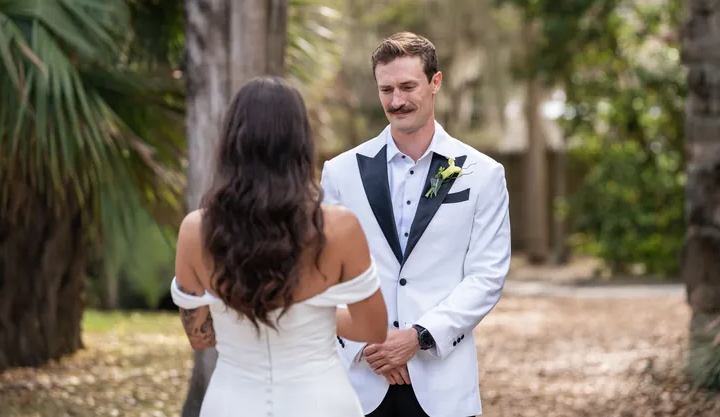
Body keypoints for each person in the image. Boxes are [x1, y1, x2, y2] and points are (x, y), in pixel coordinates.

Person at [171, 76, 389, 417]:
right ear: (301, 143)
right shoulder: (339, 227)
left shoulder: (195, 230)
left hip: (232, 403)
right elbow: (372, 329)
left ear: (231, 142)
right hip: (321, 402)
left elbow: (200, 337)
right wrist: (312, 314)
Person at [320, 32, 512, 417]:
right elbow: (324, 272)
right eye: (386, 89)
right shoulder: (340, 172)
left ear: (435, 82)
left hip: (442, 384)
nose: (396, 101)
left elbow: (486, 276)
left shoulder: (482, 174)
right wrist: (368, 344)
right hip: (359, 382)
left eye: (408, 86)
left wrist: (417, 337)